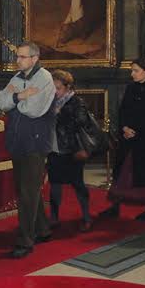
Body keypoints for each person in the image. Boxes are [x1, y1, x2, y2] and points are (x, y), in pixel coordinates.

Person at [0, 42, 57, 258]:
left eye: (22, 57)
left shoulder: (44, 78)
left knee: (27, 193)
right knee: (26, 189)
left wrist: (15, 100)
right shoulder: (17, 77)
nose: (18, 61)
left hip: (35, 143)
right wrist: (20, 96)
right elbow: (2, 102)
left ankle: (25, 241)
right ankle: (43, 229)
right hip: (17, 141)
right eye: (18, 56)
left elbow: (33, 110)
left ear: (35, 58)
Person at [101, 58, 145, 221]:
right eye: (132, 70)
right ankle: (115, 206)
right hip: (128, 138)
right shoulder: (131, 87)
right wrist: (124, 128)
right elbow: (123, 110)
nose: (132, 74)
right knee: (122, 173)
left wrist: (136, 131)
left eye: (136, 70)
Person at [46, 69, 93, 231]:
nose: (54, 91)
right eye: (52, 88)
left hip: (72, 150)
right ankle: (54, 218)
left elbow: (81, 122)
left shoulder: (77, 102)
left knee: (78, 184)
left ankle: (86, 217)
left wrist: (61, 113)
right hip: (54, 149)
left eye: (58, 88)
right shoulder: (50, 102)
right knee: (55, 184)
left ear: (68, 87)